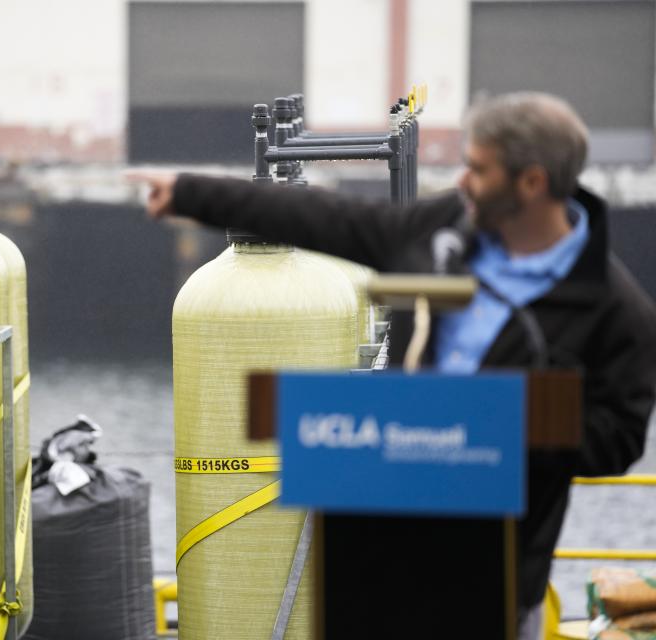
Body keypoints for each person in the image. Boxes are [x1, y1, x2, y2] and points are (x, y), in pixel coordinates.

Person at [131, 92, 656, 639]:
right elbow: (339, 221)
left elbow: (619, 438)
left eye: (478, 169)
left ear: (531, 183)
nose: (462, 182)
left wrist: (493, 431)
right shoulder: (446, 231)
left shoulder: (618, 313)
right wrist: (195, 194)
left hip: (493, 573)